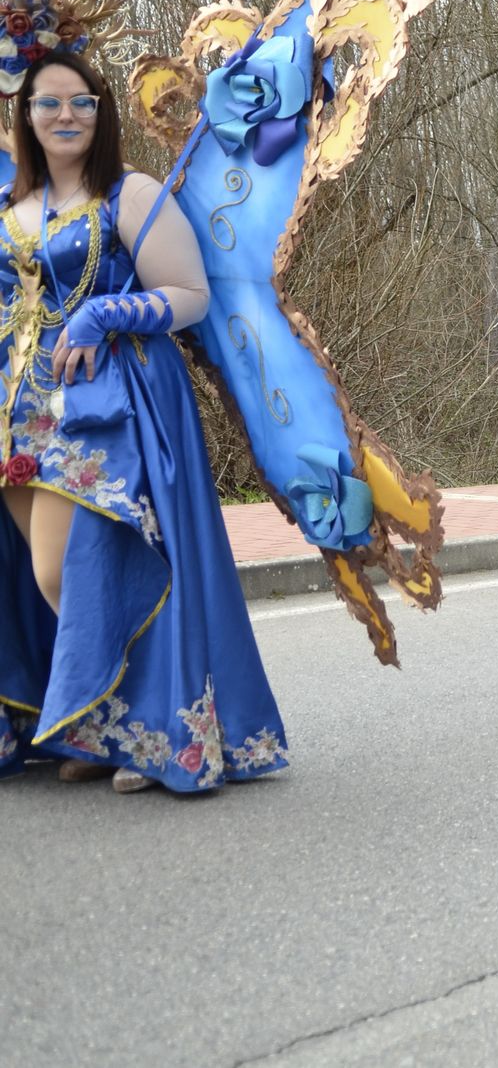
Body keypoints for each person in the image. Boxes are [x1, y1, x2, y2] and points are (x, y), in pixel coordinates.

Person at [1, 40, 287, 793]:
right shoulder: (11, 206)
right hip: (16, 414)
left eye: (81, 103)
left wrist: (106, 312)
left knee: (74, 568)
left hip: (106, 406)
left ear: (101, 113)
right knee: (40, 581)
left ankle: (151, 728)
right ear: (24, 116)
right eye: (49, 103)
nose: (66, 116)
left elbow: (190, 295)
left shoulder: (130, 194)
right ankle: (96, 724)